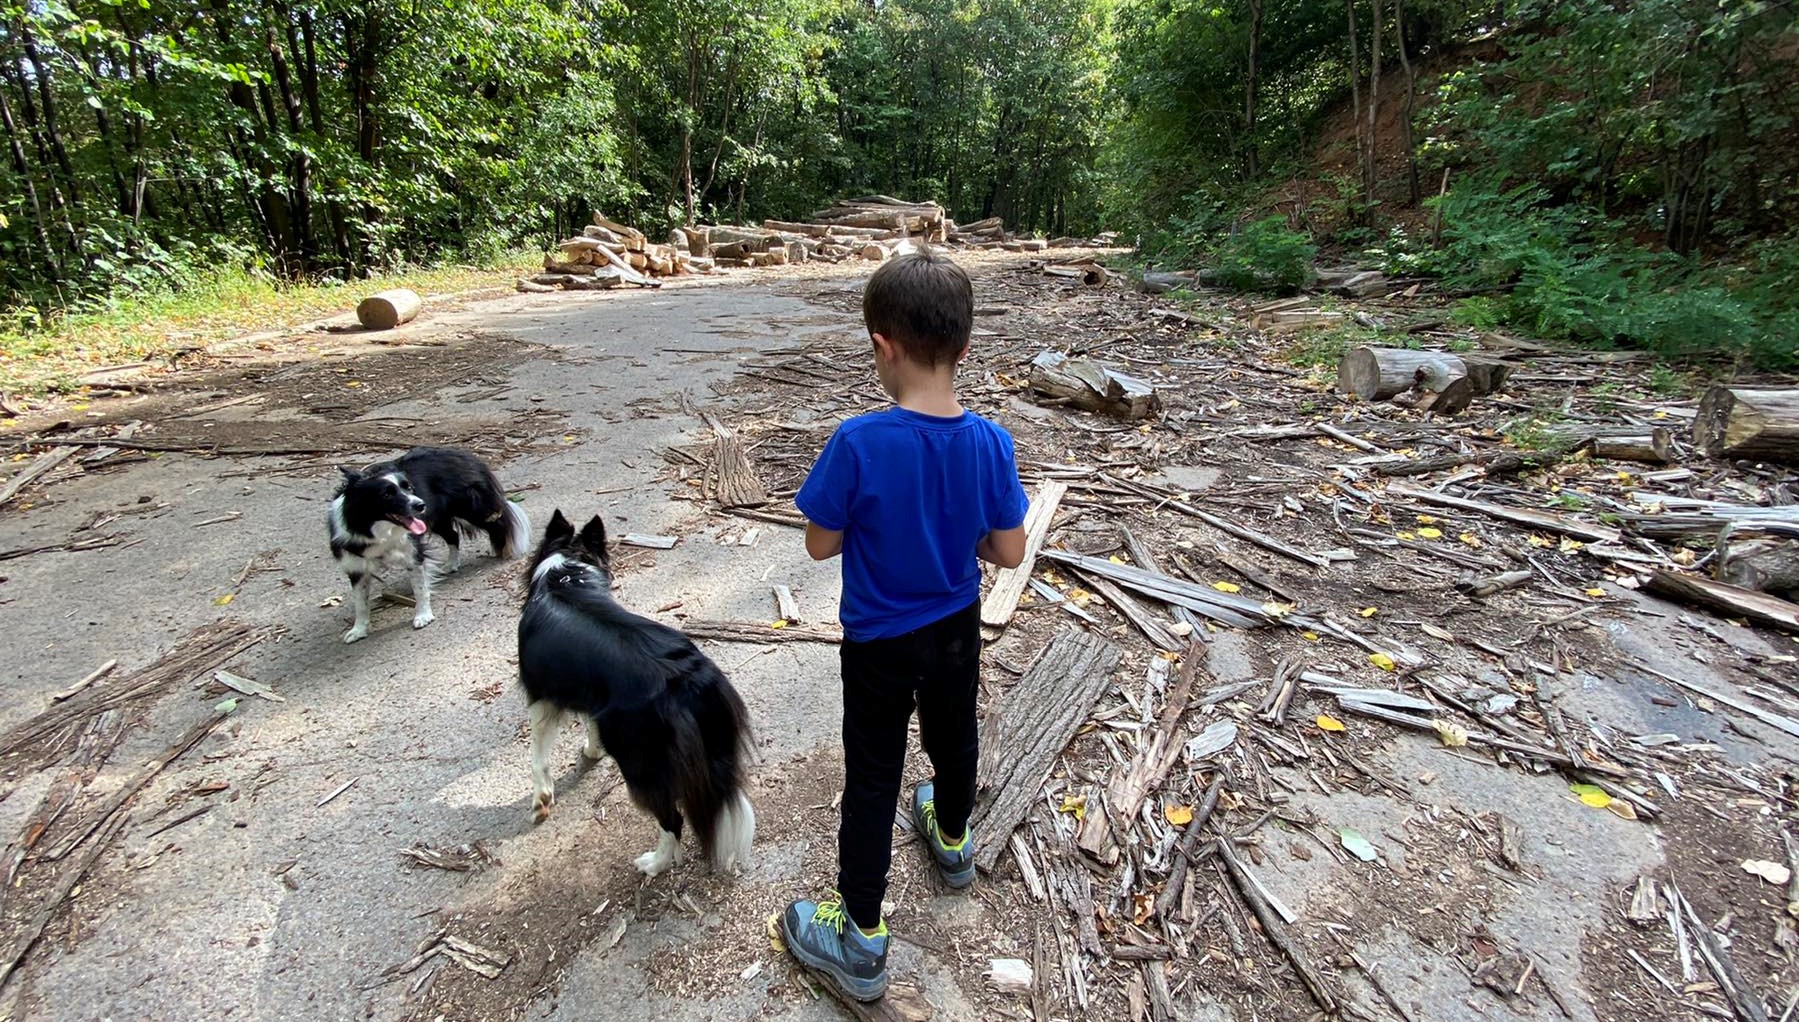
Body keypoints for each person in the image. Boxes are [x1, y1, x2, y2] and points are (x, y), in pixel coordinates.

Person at [780, 248, 1030, 1002]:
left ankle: (859, 941)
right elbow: (1008, 549)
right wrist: (967, 534)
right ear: (961, 347)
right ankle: (953, 842)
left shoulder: (858, 442)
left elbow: (820, 543)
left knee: (873, 774)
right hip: (956, 625)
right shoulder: (990, 441)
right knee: (954, 739)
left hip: (879, 642)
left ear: (882, 346)